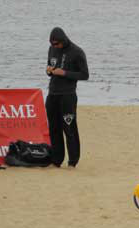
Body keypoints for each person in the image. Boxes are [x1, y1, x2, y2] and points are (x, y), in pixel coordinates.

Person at [45, 27, 89, 168]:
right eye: (53, 44)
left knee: (69, 128)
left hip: (67, 95)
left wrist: (64, 73)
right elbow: (51, 68)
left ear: (63, 40)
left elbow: (84, 75)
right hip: (52, 94)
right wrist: (49, 71)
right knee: (54, 128)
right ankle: (56, 160)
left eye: (57, 44)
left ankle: (72, 161)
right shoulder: (52, 49)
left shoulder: (77, 52)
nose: (55, 46)